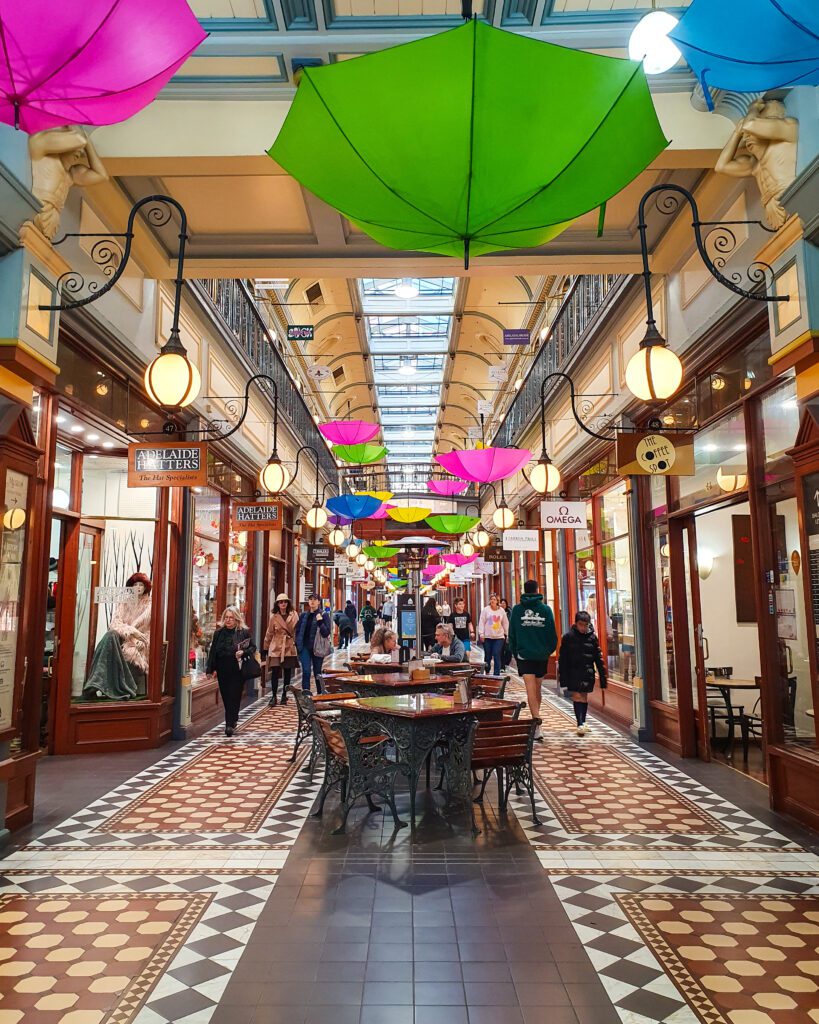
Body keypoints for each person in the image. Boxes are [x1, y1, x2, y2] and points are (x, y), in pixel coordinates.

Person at [82, 572, 152, 701]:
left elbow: (151, 631)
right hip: (120, 639)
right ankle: (96, 684)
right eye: (135, 584)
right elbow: (115, 623)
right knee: (111, 635)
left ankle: (94, 683)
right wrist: (131, 631)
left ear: (146, 587)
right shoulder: (125, 603)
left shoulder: (150, 606)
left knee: (111, 639)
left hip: (136, 646)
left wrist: (139, 639)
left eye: (141, 585)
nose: (137, 587)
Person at [508, 580, 558, 741]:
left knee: (531, 689)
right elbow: (552, 634)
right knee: (537, 687)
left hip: (525, 655)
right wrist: (547, 651)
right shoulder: (545, 610)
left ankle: (537, 724)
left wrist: (516, 653)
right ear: (537, 590)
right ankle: (537, 721)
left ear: (524, 590)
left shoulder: (517, 610)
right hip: (541, 655)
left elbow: (512, 634)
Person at [206, 606, 256, 736]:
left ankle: (229, 724)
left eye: (231, 618)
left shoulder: (242, 632)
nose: (228, 620)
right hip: (222, 668)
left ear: (236, 619)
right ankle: (233, 718)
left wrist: (243, 652)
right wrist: (210, 669)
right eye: (226, 617)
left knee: (234, 695)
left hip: (237, 668)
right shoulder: (218, 633)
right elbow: (213, 652)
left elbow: (253, 648)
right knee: (226, 696)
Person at [558, 610, 607, 736]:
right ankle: (579, 723)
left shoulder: (592, 637)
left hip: (587, 672)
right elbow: (563, 658)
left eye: (585, 625)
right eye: (581, 624)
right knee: (577, 695)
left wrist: (603, 677)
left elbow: (598, 658)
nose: (583, 628)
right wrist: (562, 676)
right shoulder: (568, 637)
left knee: (584, 696)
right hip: (573, 671)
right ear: (576, 623)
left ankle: (583, 721)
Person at [262, 594, 299, 707]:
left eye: (285, 602)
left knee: (287, 673)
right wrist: (265, 647)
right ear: (277, 604)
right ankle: (273, 696)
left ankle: (284, 695)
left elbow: (297, 630)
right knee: (275, 672)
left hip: (288, 646)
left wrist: (297, 644)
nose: (283, 604)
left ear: (288, 603)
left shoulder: (294, 615)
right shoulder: (274, 617)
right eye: (280, 602)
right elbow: (269, 632)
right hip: (276, 647)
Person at [296, 595, 332, 692]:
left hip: (318, 647)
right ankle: (306, 693)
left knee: (317, 672)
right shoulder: (303, 615)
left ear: (319, 602)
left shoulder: (324, 615)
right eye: (310, 599)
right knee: (306, 671)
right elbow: (298, 630)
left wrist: (320, 621)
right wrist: (297, 643)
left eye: (315, 600)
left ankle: (320, 692)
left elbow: (326, 632)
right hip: (305, 647)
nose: (312, 602)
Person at [478, 593, 508, 675]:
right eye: (491, 599)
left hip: (499, 637)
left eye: (494, 599)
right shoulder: (485, 610)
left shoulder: (501, 611)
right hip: (487, 637)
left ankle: (496, 674)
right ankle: (487, 670)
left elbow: (505, 623)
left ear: (497, 601)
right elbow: (481, 622)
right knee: (488, 656)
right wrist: (481, 634)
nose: (492, 601)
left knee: (496, 654)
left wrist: (507, 634)